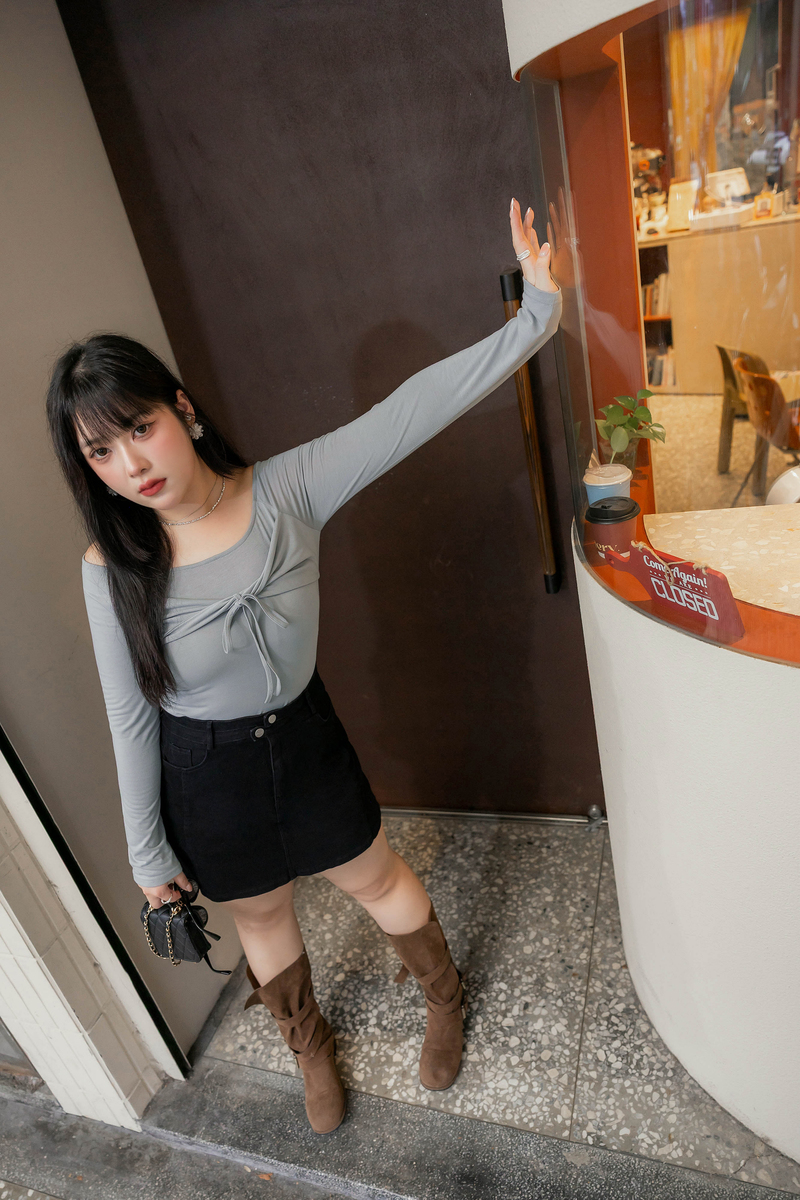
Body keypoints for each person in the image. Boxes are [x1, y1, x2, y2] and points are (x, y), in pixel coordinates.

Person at [45, 200, 561, 1135]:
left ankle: (443, 999)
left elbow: (409, 411)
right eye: (101, 452)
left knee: (377, 878)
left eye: (139, 427)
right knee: (262, 916)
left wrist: (538, 314)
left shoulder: (287, 488)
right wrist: (148, 856)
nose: (130, 464)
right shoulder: (109, 568)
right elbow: (129, 714)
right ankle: (309, 1047)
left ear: (182, 409)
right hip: (205, 771)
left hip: (303, 738)